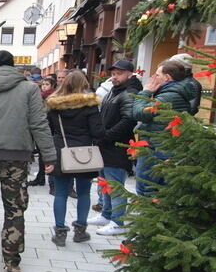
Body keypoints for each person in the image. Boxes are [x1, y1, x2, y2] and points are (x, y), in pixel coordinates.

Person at [0, 50, 56, 272]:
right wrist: (49, 156)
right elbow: (39, 123)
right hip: (17, 158)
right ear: (13, 66)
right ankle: (11, 259)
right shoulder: (30, 89)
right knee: (15, 208)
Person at [45, 70, 105, 246]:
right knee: (84, 192)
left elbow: (49, 129)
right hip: (85, 153)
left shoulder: (54, 105)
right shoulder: (90, 105)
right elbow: (98, 132)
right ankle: (80, 231)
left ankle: (60, 233)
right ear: (84, 84)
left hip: (61, 150)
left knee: (60, 193)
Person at [88, 60, 142, 236]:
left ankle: (118, 222)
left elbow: (128, 121)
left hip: (117, 147)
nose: (114, 77)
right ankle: (107, 215)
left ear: (130, 74)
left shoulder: (130, 93)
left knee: (115, 186)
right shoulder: (115, 90)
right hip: (106, 145)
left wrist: (106, 136)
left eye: (119, 73)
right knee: (105, 183)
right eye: (113, 73)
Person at [132, 60, 197, 197]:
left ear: (166, 77)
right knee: (160, 192)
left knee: (146, 190)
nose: (154, 78)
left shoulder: (169, 96)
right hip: (165, 148)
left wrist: (145, 92)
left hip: (156, 150)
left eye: (157, 75)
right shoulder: (176, 92)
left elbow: (140, 113)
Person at [28, 76, 58, 188]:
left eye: (47, 84)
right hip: (41, 127)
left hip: (51, 128)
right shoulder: (39, 96)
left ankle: (52, 182)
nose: (44, 87)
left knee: (49, 155)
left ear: (52, 86)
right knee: (41, 155)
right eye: (43, 84)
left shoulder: (54, 97)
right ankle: (40, 177)